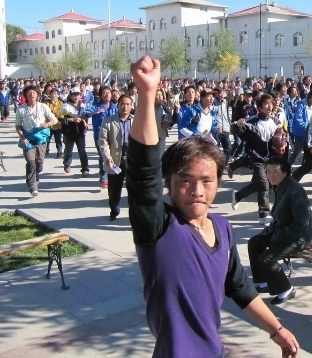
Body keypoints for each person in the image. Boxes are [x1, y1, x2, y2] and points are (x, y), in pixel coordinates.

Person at [125, 56, 300, 358]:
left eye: (207, 180)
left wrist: (278, 330)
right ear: (168, 182)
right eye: (185, 180)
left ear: (219, 182)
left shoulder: (222, 228)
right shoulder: (158, 227)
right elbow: (143, 175)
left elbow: (240, 286)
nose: (196, 190)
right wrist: (146, 94)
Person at [248, 156, 312, 304]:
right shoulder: (280, 186)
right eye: (268, 171)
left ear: (285, 172)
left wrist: (278, 234)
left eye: (275, 172)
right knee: (254, 243)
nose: (271, 175)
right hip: (281, 231)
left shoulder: (295, 190)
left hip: (298, 237)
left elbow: (301, 224)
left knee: (267, 259)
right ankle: (263, 281)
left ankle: (286, 289)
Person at [231, 93, 284, 224]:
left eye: (271, 103)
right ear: (259, 107)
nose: (270, 106)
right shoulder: (251, 121)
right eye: (266, 104)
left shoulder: (276, 121)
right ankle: (264, 214)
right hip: (256, 157)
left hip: (270, 158)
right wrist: (237, 126)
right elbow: (237, 131)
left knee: (258, 184)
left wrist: (282, 140)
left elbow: (281, 137)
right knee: (264, 184)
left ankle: (237, 196)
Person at [15, 85, 58, 197]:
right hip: (28, 139)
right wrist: (22, 137)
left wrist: (46, 124)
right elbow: (18, 126)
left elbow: (54, 120)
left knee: (38, 163)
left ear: (38, 94)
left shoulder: (43, 107)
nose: (31, 94)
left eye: (34, 92)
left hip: (41, 139)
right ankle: (33, 186)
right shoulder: (21, 109)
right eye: (29, 92)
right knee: (30, 162)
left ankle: (36, 174)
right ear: (25, 95)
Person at [99, 95, 133, 221]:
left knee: (133, 188)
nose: (125, 107)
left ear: (131, 105)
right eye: (122, 104)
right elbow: (102, 141)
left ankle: (133, 212)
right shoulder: (108, 121)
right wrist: (107, 156)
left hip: (131, 160)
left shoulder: (135, 121)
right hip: (115, 160)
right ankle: (114, 210)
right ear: (118, 105)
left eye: (128, 104)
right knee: (114, 188)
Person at [82, 86, 119, 189]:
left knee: (112, 156)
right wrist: (94, 112)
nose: (107, 94)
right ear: (101, 95)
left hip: (113, 135)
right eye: (104, 93)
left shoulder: (114, 107)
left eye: (109, 93)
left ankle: (110, 175)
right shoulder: (96, 106)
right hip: (99, 136)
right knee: (104, 156)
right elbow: (84, 115)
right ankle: (103, 178)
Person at [60, 90, 89, 176]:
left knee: (82, 150)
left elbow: (84, 115)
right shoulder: (66, 106)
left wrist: (84, 121)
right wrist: (72, 119)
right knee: (69, 150)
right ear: (71, 96)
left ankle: (85, 168)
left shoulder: (82, 105)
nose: (76, 97)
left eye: (78, 95)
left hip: (80, 131)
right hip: (69, 132)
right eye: (74, 95)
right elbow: (60, 118)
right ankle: (67, 164)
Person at [45, 88, 64, 158]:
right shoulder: (46, 103)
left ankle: (59, 152)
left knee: (58, 139)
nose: (54, 95)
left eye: (55, 94)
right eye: (52, 94)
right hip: (48, 124)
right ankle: (46, 150)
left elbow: (63, 112)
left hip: (57, 124)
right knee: (47, 139)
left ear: (58, 95)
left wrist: (58, 114)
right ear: (49, 95)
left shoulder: (61, 103)